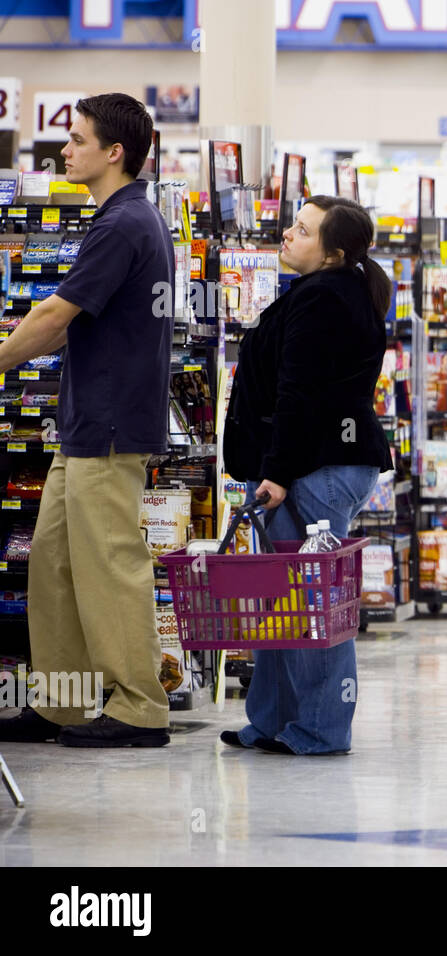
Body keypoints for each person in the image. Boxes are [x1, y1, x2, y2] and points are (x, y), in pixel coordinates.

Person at [0, 94, 174, 748]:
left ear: (113, 152)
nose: (64, 150)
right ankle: (64, 701)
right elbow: (63, 328)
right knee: (55, 562)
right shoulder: (136, 219)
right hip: (89, 423)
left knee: (108, 562)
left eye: (76, 140)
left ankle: (139, 707)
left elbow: (52, 317)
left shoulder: (123, 223)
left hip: (107, 422)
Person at [220, 195, 393, 755]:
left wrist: (277, 473)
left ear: (334, 252)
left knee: (309, 598)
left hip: (312, 466)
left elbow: (300, 393)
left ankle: (319, 727)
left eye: (303, 230)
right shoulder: (328, 291)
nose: (289, 235)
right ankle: (273, 720)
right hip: (309, 462)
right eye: (292, 224)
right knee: (281, 598)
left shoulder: (324, 298)